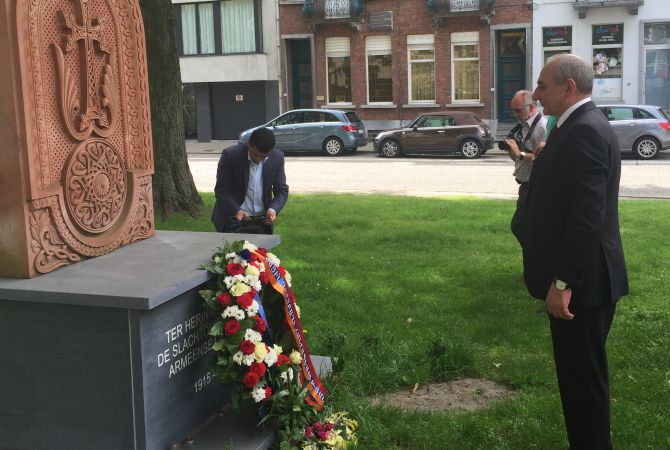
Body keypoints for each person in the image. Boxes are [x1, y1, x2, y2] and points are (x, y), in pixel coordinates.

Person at [526, 53, 629, 449]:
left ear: (568, 87)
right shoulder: (577, 125)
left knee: (583, 386)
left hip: (583, 287)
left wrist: (562, 282)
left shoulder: (583, 129)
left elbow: (587, 217)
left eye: (542, 85)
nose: (537, 95)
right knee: (579, 382)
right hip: (585, 282)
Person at [211, 127, 289, 234]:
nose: (258, 160)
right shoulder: (230, 155)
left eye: (264, 157)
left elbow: (281, 191)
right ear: (248, 144)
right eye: (255, 155)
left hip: (262, 220)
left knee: (261, 246)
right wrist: (236, 210)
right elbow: (221, 190)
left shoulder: (277, 157)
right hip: (233, 218)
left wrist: (273, 209)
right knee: (231, 246)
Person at [503, 90, 547, 249]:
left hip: (536, 186)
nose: (515, 114)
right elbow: (519, 159)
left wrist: (520, 153)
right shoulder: (523, 126)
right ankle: (536, 259)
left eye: (518, 110)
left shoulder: (542, 127)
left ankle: (538, 258)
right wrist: (512, 151)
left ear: (532, 107)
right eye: (513, 111)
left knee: (520, 226)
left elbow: (542, 160)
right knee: (525, 228)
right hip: (525, 184)